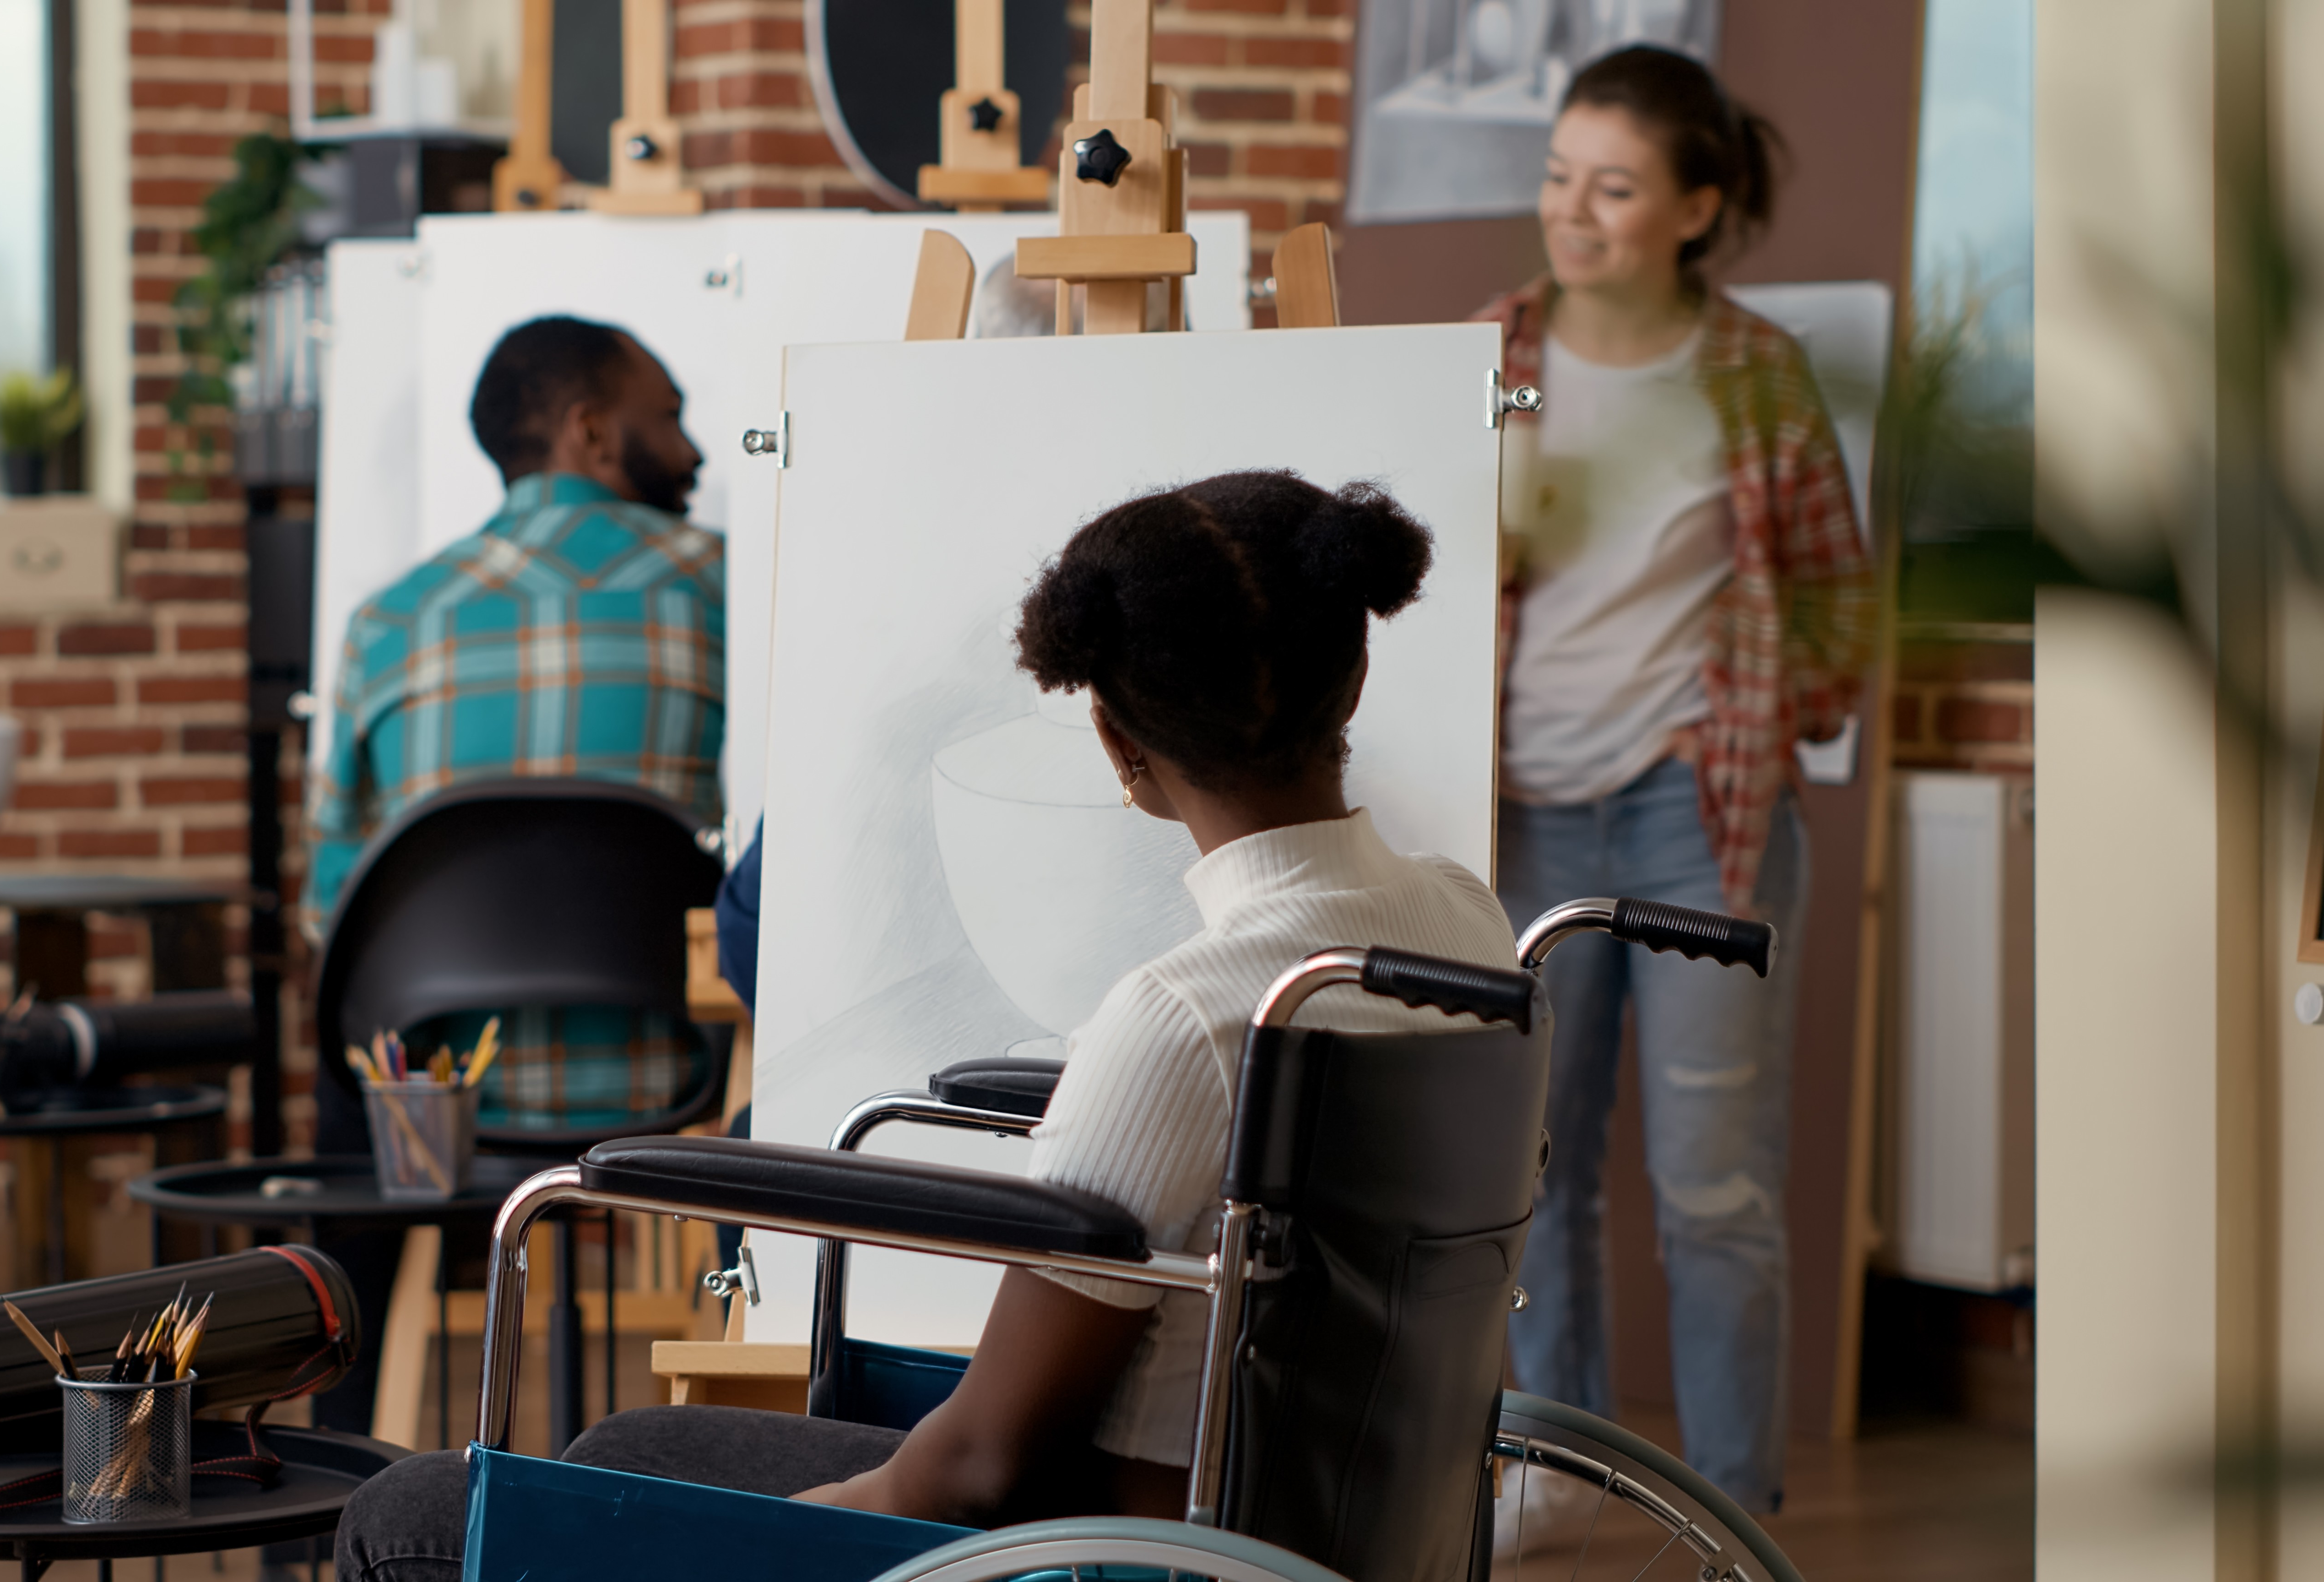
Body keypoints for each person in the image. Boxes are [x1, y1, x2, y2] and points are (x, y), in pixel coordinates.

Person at [335, 469, 1517, 1579]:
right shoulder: (1463, 936)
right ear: (1351, 682)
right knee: (629, 1452)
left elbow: (982, 1467)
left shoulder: (1184, 1023)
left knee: (408, 1518)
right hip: (1319, 1534)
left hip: (1094, 1556)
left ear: (1121, 749)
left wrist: (774, 1541)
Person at [1479, 46, 1873, 1519]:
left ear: (1697, 209)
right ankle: (1557, 1495)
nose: (1573, 212)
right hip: (1523, 817)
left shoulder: (1757, 375)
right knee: (1534, 1179)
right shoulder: (1495, 352)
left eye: (1616, 187)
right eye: (1558, 176)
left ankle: (1726, 1515)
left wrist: (1764, 722)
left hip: (1700, 818)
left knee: (1717, 1190)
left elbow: (1837, 592)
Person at [297, 314, 723, 1447]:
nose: (694, 450)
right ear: (591, 432)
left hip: (439, 1112)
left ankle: (337, 1470)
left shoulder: (388, 620)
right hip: (677, 1079)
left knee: (345, 1071)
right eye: (669, 417)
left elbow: (325, 908)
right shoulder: (735, 590)